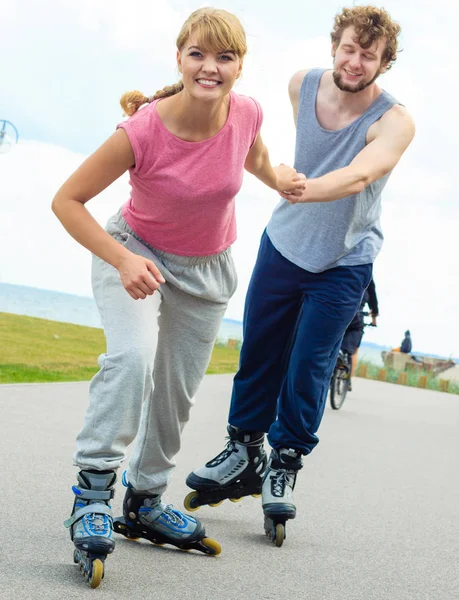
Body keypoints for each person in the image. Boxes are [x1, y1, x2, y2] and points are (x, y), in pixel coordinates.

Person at [52, 7, 305, 585]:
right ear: (179, 58)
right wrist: (122, 258)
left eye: (225, 56)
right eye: (198, 54)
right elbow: (67, 200)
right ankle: (92, 495)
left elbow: (255, 158)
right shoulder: (142, 128)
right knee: (131, 359)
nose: (210, 67)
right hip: (133, 251)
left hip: (207, 268)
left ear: (240, 66)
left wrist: (281, 180)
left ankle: (143, 502)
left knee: (177, 392)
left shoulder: (247, 112)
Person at [187, 5, 415, 546]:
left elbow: (363, 172)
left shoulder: (395, 119)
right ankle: (243, 449)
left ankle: (285, 461)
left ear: (384, 63)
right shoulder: (300, 86)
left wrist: (297, 187)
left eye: (369, 55)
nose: (356, 62)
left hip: (344, 259)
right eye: (350, 48)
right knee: (259, 350)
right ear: (335, 44)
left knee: (310, 364)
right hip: (284, 244)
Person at [340, 278, 379, 391]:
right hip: (357, 318)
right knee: (353, 351)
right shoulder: (368, 277)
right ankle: (348, 381)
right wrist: (374, 320)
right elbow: (373, 299)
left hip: (341, 314)